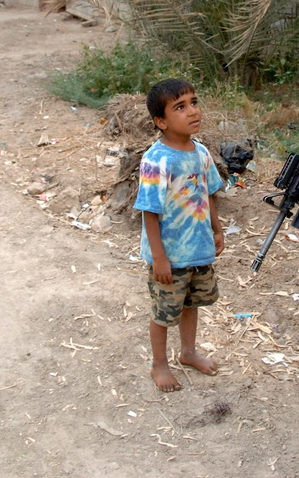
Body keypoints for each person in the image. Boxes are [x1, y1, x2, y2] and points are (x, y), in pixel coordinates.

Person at [133, 78, 225, 393]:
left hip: (198, 250)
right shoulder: (156, 160)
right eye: (180, 107)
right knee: (163, 312)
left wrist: (217, 228)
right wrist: (159, 257)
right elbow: (149, 211)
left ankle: (188, 352)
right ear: (161, 121)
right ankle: (159, 364)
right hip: (169, 256)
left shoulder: (200, 153)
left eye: (194, 102)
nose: (192, 111)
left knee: (191, 303)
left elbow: (208, 193)